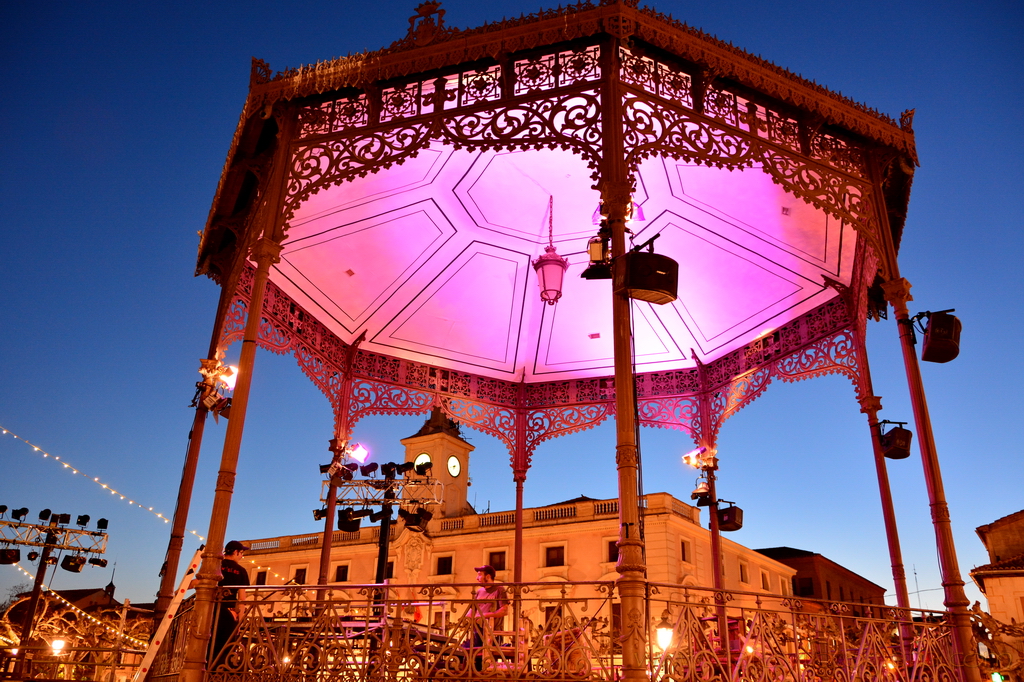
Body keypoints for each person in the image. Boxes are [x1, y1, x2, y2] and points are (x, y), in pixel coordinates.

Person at [211, 540, 250, 667]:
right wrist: (240, 621)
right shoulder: (241, 571)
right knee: (225, 647)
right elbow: (242, 598)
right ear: (235, 552)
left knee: (208, 643)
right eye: (241, 553)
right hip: (228, 613)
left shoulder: (216, 564)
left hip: (210, 608)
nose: (242, 556)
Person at [466, 565, 507, 671]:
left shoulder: (499, 589)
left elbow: (504, 610)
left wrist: (485, 615)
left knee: (489, 657)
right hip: (477, 629)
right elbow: (472, 610)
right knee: (477, 658)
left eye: (479, 575)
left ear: (488, 576)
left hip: (493, 630)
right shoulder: (479, 591)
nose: (477, 578)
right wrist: (467, 618)